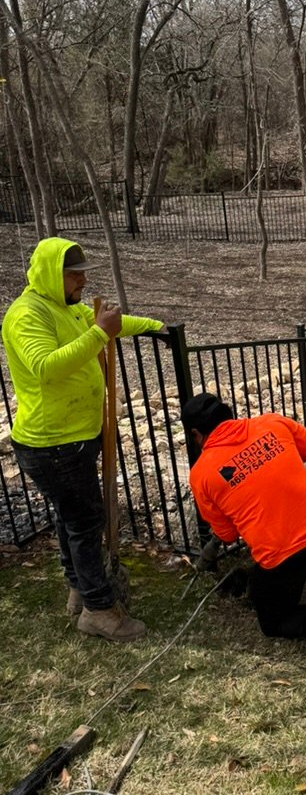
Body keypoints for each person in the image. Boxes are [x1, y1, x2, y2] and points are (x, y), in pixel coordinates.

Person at [2, 237, 165, 642]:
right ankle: (99, 610)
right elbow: (46, 367)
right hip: (52, 443)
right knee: (86, 522)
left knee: (70, 518)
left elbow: (111, 326)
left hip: (74, 438)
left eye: (82, 273)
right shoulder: (27, 315)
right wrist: (98, 333)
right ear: (50, 274)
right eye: (74, 274)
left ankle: (78, 589)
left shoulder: (68, 308)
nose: (82, 281)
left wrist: (156, 327)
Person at [181, 392, 306, 658]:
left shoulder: (201, 474)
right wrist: (273, 459)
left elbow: (227, 535)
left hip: (284, 558)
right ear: (227, 413)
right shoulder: (271, 423)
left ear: (195, 433)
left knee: (273, 622)